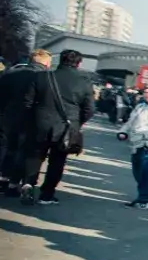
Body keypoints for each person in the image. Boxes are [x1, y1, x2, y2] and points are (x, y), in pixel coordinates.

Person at [19, 49, 95, 205]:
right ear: (79, 63)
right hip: (66, 127)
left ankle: (28, 184)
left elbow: (27, 102)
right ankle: (47, 194)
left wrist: (32, 119)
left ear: (60, 60)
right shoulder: (84, 82)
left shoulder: (42, 76)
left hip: (40, 123)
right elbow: (89, 109)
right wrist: (77, 122)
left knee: (34, 155)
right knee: (57, 161)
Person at [0, 50, 51, 196]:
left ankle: (3, 178)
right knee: (24, 152)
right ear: (47, 63)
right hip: (32, 119)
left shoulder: (10, 73)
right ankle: (14, 184)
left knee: (7, 148)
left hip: (8, 117)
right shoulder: (46, 77)